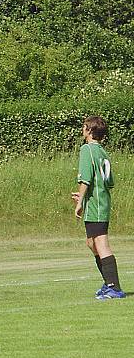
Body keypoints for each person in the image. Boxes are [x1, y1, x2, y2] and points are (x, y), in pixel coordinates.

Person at [71, 116, 125, 299]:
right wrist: (84, 196)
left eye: (83, 127)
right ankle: (108, 282)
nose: (82, 130)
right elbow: (107, 182)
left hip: (97, 205)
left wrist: (80, 202)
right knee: (91, 243)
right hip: (99, 202)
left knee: (101, 243)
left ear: (89, 130)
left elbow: (85, 178)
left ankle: (114, 287)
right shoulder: (102, 152)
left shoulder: (88, 149)